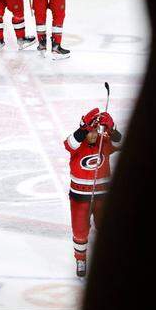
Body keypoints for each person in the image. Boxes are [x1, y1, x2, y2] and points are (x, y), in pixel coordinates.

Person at [64, 107, 122, 277]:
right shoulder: (77, 145)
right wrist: (83, 129)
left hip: (102, 196)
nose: (94, 135)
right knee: (80, 230)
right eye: (90, 131)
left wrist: (112, 129)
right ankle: (80, 259)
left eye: (95, 130)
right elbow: (69, 143)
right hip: (79, 197)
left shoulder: (104, 141)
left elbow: (120, 143)